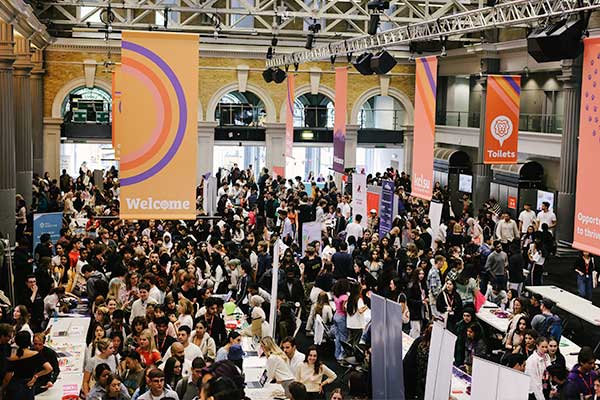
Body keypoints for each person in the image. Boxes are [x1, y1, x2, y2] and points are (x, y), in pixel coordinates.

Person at [2, 331, 53, 400]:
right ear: (29, 341)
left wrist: (3, 388)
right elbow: (49, 368)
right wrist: (36, 376)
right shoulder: (36, 354)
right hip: (29, 384)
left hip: (15, 385)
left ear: (17, 342)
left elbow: (7, 378)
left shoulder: (12, 358)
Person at [525, 336, 551, 400]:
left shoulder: (547, 356)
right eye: (542, 347)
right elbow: (534, 383)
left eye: (546, 347)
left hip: (545, 386)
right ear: (537, 346)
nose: (545, 349)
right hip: (534, 392)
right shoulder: (531, 360)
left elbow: (549, 371)